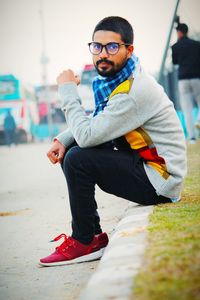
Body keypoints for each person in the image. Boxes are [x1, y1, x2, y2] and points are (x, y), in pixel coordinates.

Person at [40, 16, 187, 267]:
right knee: (74, 148)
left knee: (78, 158)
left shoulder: (132, 90)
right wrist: (63, 139)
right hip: (147, 166)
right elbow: (99, 121)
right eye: (97, 47)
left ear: (129, 50)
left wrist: (67, 90)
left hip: (160, 180)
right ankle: (93, 235)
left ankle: (84, 240)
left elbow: (88, 135)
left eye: (112, 47)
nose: (102, 54)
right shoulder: (119, 81)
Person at [171, 23, 200, 144]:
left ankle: (192, 137)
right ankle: (199, 120)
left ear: (179, 32)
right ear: (187, 31)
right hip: (197, 78)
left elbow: (175, 62)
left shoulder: (175, 46)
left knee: (187, 109)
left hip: (183, 79)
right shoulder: (197, 45)